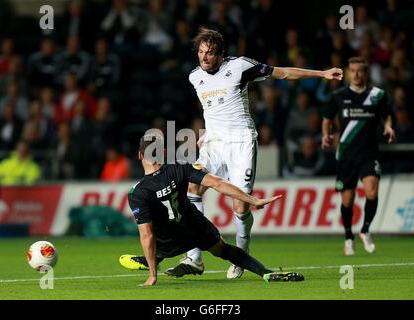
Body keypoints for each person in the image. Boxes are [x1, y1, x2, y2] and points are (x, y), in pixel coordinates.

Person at [169, 27, 343, 279]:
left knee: (240, 205)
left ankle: (241, 254)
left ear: (220, 54)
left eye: (209, 53)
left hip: (241, 142)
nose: (203, 58)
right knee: (192, 190)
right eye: (200, 52)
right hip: (214, 144)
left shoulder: (240, 66)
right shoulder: (195, 76)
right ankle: (195, 258)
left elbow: (282, 73)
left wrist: (322, 73)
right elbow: (213, 108)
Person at [119, 135, 304, 286]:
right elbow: (218, 183)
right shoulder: (180, 169)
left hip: (168, 238)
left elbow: (147, 235)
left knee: (155, 238)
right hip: (193, 225)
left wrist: (153, 276)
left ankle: (153, 261)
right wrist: (252, 200)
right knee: (224, 250)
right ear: (164, 152)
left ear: (140, 156)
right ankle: (265, 273)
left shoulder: (138, 192)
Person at [321, 57, 395, 256]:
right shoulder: (338, 96)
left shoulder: (377, 95)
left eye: (360, 70)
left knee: (371, 192)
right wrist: (326, 134)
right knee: (348, 200)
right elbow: (327, 118)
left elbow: (386, 114)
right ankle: (348, 236)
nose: (356, 74)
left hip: (369, 153)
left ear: (366, 72)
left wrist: (388, 126)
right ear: (348, 71)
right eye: (352, 70)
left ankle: (365, 230)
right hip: (346, 154)